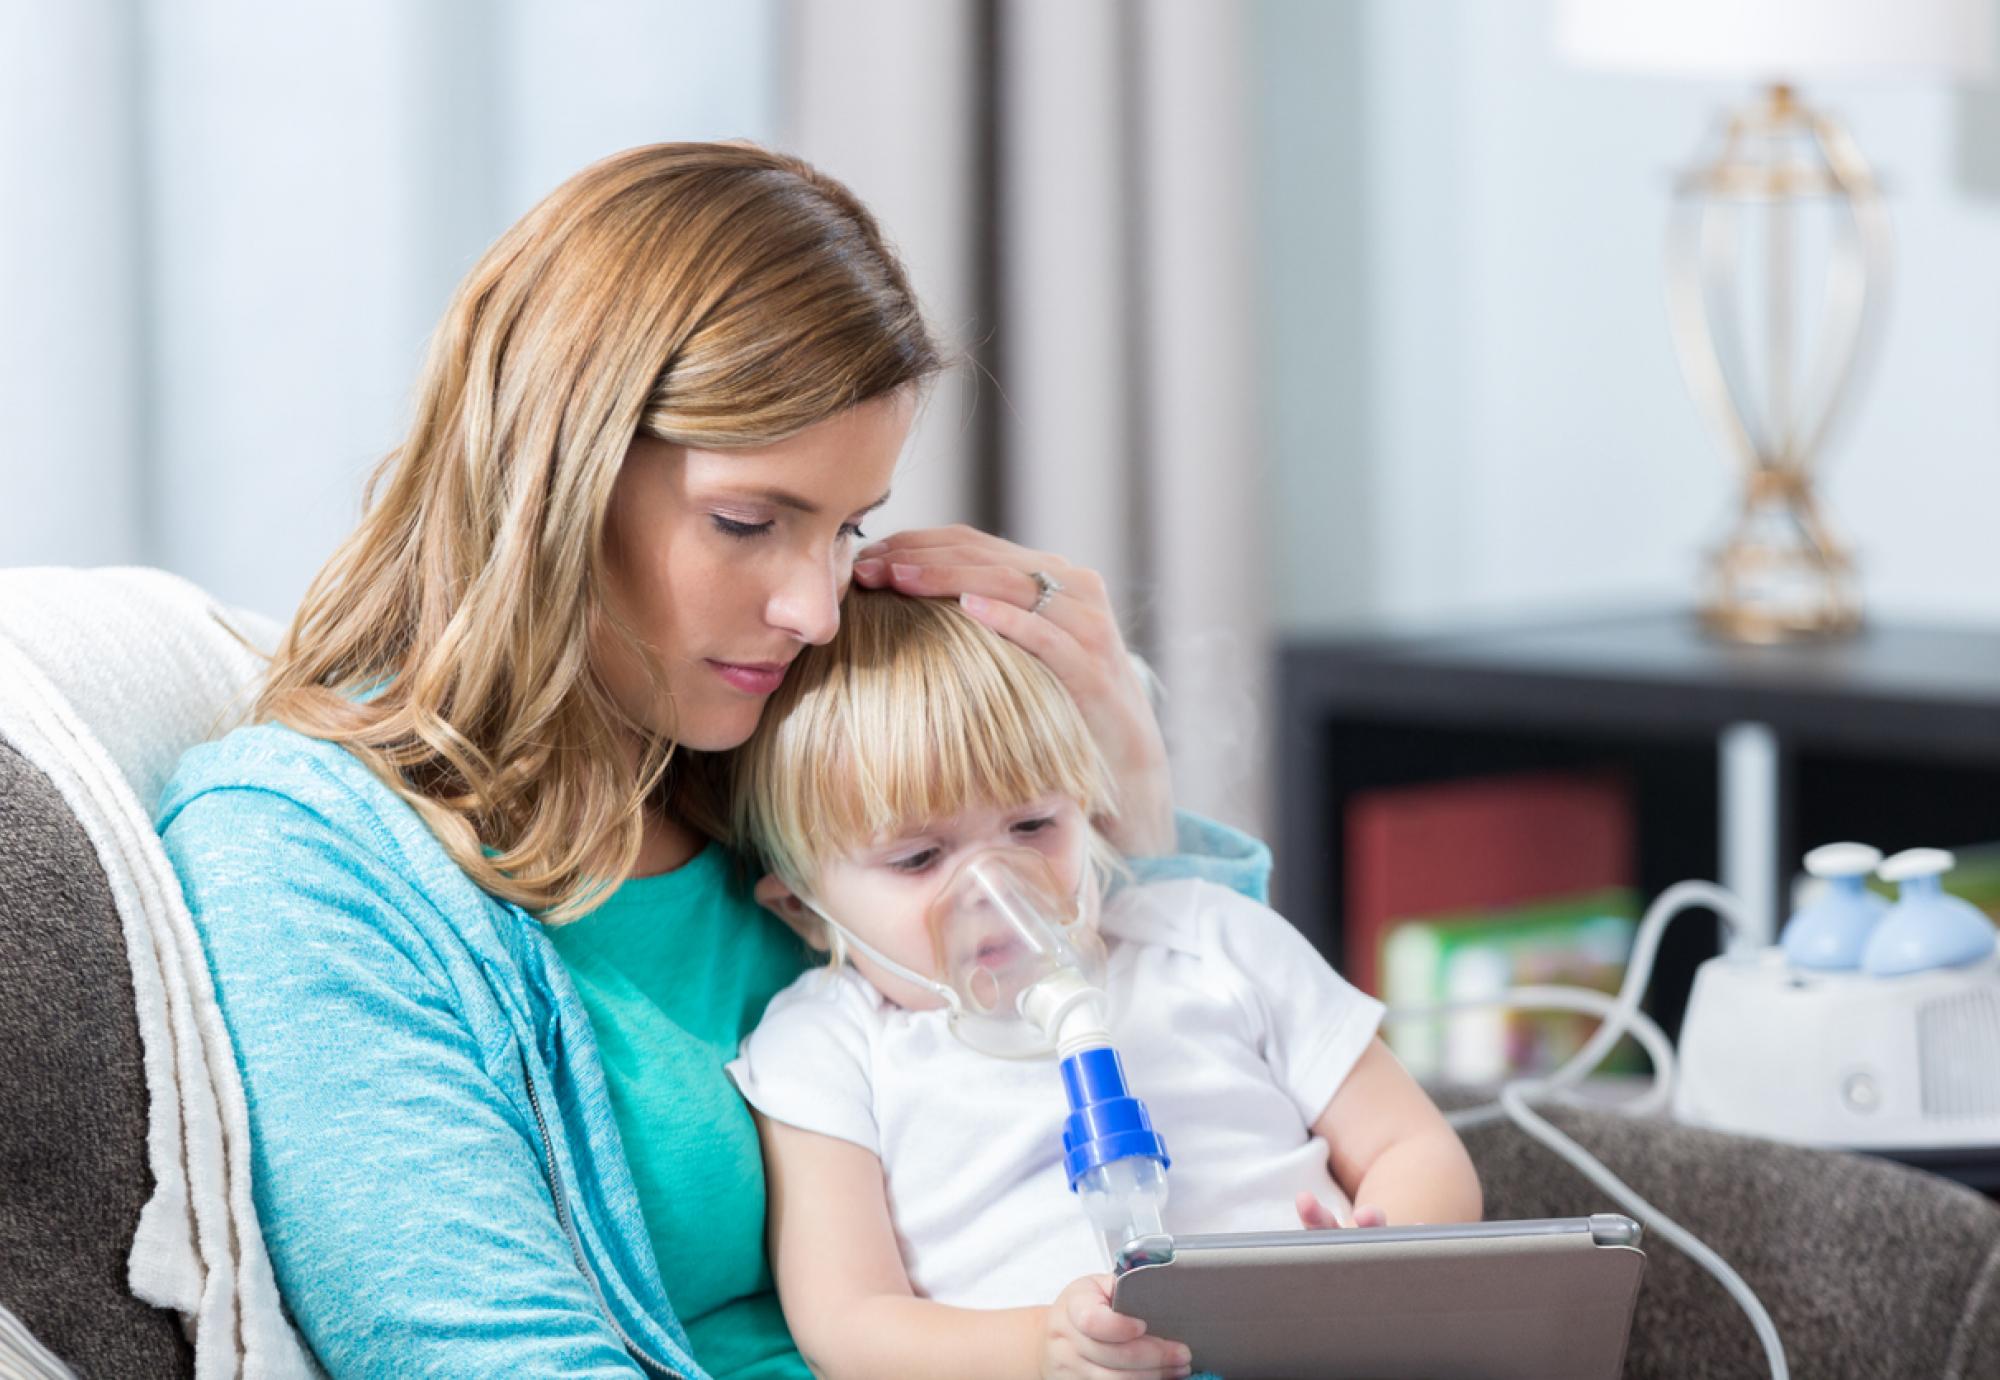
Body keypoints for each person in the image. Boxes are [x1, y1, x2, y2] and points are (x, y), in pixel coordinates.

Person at [156, 142, 1273, 1378]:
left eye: (847, 527)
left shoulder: (778, 759)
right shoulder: (307, 855)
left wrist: (1122, 758)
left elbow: (1225, 1122)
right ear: (554, 478)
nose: (817, 607)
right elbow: (480, 1355)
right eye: (749, 522)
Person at [724, 589, 1483, 1380]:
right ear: (805, 911)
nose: (995, 887)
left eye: (1032, 827)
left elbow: (1415, 1145)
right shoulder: (828, 1047)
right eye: (919, 858)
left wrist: (1380, 1260)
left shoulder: (1206, 940)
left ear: (1087, 810)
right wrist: (1039, 1348)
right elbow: (847, 1324)